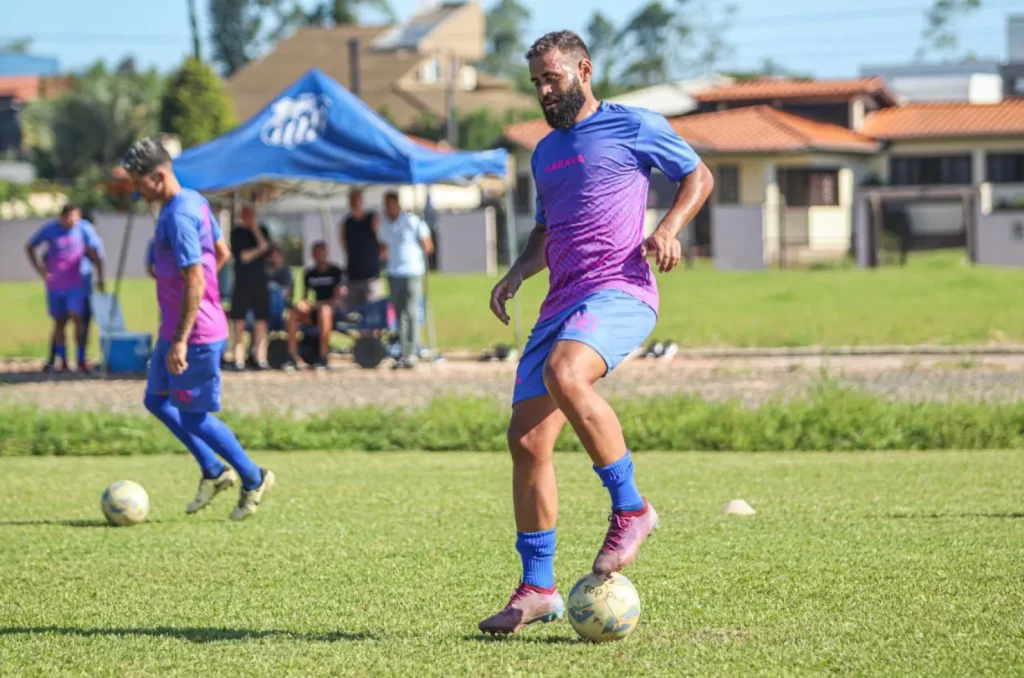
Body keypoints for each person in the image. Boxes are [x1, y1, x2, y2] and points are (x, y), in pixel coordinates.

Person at [478, 31, 713, 635]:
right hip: (560, 301)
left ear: (583, 70)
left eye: (551, 78)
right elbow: (544, 232)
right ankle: (537, 589)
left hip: (619, 290)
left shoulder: (634, 125)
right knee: (527, 443)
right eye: (536, 82)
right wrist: (516, 272)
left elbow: (698, 176)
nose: (543, 91)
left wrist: (669, 227)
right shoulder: (543, 153)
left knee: (566, 372)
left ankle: (632, 506)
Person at [121, 137, 275, 521]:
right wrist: (185, 291)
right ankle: (213, 470)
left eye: (139, 185)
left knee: (194, 416)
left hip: (193, 337)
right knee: (156, 400)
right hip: (175, 329)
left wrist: (183, 336)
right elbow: (219, 256)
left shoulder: (177, 216)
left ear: (158, 176)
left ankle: (254, 477)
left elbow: (195, 277)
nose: (138, 195)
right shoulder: (194, 199)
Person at [25, 204, 105, 373]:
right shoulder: (50, 230)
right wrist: (41, 271)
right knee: (59, 321)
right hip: (56, 283)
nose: (73, 221)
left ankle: (81, 358)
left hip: (77, 283)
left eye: (76, 217)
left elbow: (96, 252)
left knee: (78, 318)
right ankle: (62, 360)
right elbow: (31, 246)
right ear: (62, 216)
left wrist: (100, 276)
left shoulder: (84, 229)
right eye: (70, 217)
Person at [379, 191, 433, 369]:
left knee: (411, 311)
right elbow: (384, 248)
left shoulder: (412, 221)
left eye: (390, 204)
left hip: (412, 271)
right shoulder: (385, 225)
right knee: (399, 313)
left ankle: (411, 349)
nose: (388, 208)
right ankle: (405, 349)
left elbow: (428, 245)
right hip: (394, 273)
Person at [282, 241, 346, 371]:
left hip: (332, 311)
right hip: (315, 309)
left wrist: (321, 304)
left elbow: (337, 300)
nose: (319, 256)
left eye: (322, 253)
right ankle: (293, 356)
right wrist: (304, 304)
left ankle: (323, 356)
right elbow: (306, 296)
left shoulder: (336, 272)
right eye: (316, 253)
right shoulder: (309, 273)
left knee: (324, 311)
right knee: (293, 313)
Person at [229, 202, 272, 371]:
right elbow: (244, 257)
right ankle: (238, 358)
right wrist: (260, 249)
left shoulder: (262, 230)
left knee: (261, 320)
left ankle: (260, 357)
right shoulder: (236, 233)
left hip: (260, 282)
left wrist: (255, 229)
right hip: (242, 282)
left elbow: (266, 247)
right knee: (238, 321)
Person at [340, 189, 383, 307]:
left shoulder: (372, 218)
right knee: (354, 313)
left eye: (358, 200)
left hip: (371, 275)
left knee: (372, 312)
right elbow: (344, 245)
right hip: (353, 275)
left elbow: (381, 239)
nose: (356, 203)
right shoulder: (346, 223)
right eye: (353, 200)